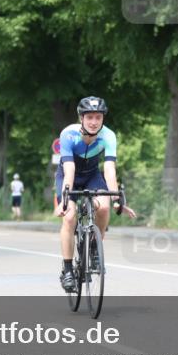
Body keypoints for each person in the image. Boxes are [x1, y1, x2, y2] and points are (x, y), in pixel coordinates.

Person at [55, 97, 137, 292]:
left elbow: (109, 169)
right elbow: (69, 170)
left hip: (92, 175)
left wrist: (117, 199)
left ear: (103, 118)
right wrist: (64, 201)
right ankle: (67, 271)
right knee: (70, 218)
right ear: (81, 118)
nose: (94, 121)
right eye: (89, 117)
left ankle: (94, 246)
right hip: (69, 176)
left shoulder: (108, 136)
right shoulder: (68, 134)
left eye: (98, 117)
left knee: (105, 206)